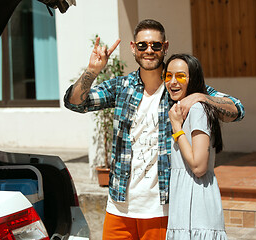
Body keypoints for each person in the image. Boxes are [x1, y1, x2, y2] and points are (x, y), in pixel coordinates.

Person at [64, 19, 244, 240]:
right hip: (119, 207)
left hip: (161, 209)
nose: (149, 50)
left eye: (155, 45)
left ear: (165, 47)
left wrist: (201, 96)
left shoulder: (178, 87)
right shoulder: (122, 87)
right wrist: (92, 71)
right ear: (133, 47)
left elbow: (237, 109)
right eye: (142, 45)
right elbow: (75, 103)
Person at [164, 53, 227, 239]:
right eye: (168, 76)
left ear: (193, 79)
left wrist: (176, 127)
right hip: (185, 202)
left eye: (180, 76)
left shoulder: (198, 109)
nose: (173, 82)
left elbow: (198, 166)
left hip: (197, 204)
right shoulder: (182, 109)